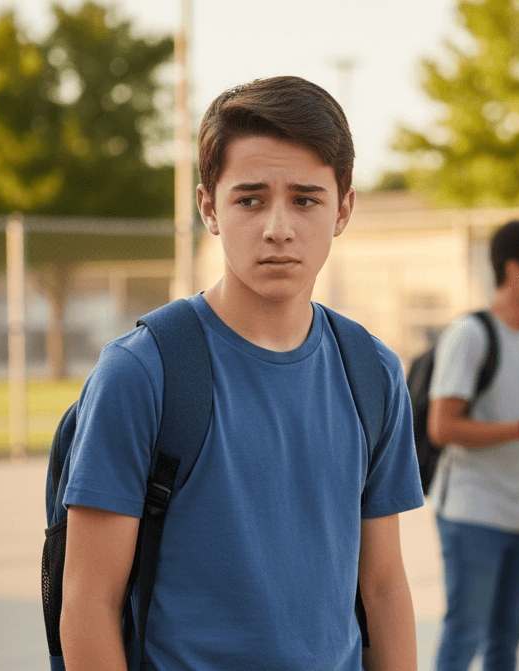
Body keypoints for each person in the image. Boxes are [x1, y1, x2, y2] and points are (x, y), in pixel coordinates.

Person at [59, 76, 424, 671]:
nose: (278, 227)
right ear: (209, 207)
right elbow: (87, 602)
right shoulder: (141, 372)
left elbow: (384, 588)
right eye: (250, 200)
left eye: (305, 199)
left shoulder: (372, 372)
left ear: (343, 209)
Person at [427, 219, 519, 671]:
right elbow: (442, 427)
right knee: (464, 635)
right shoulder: (470, 334)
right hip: (472, 513)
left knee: (506, 641)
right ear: (515, 271)